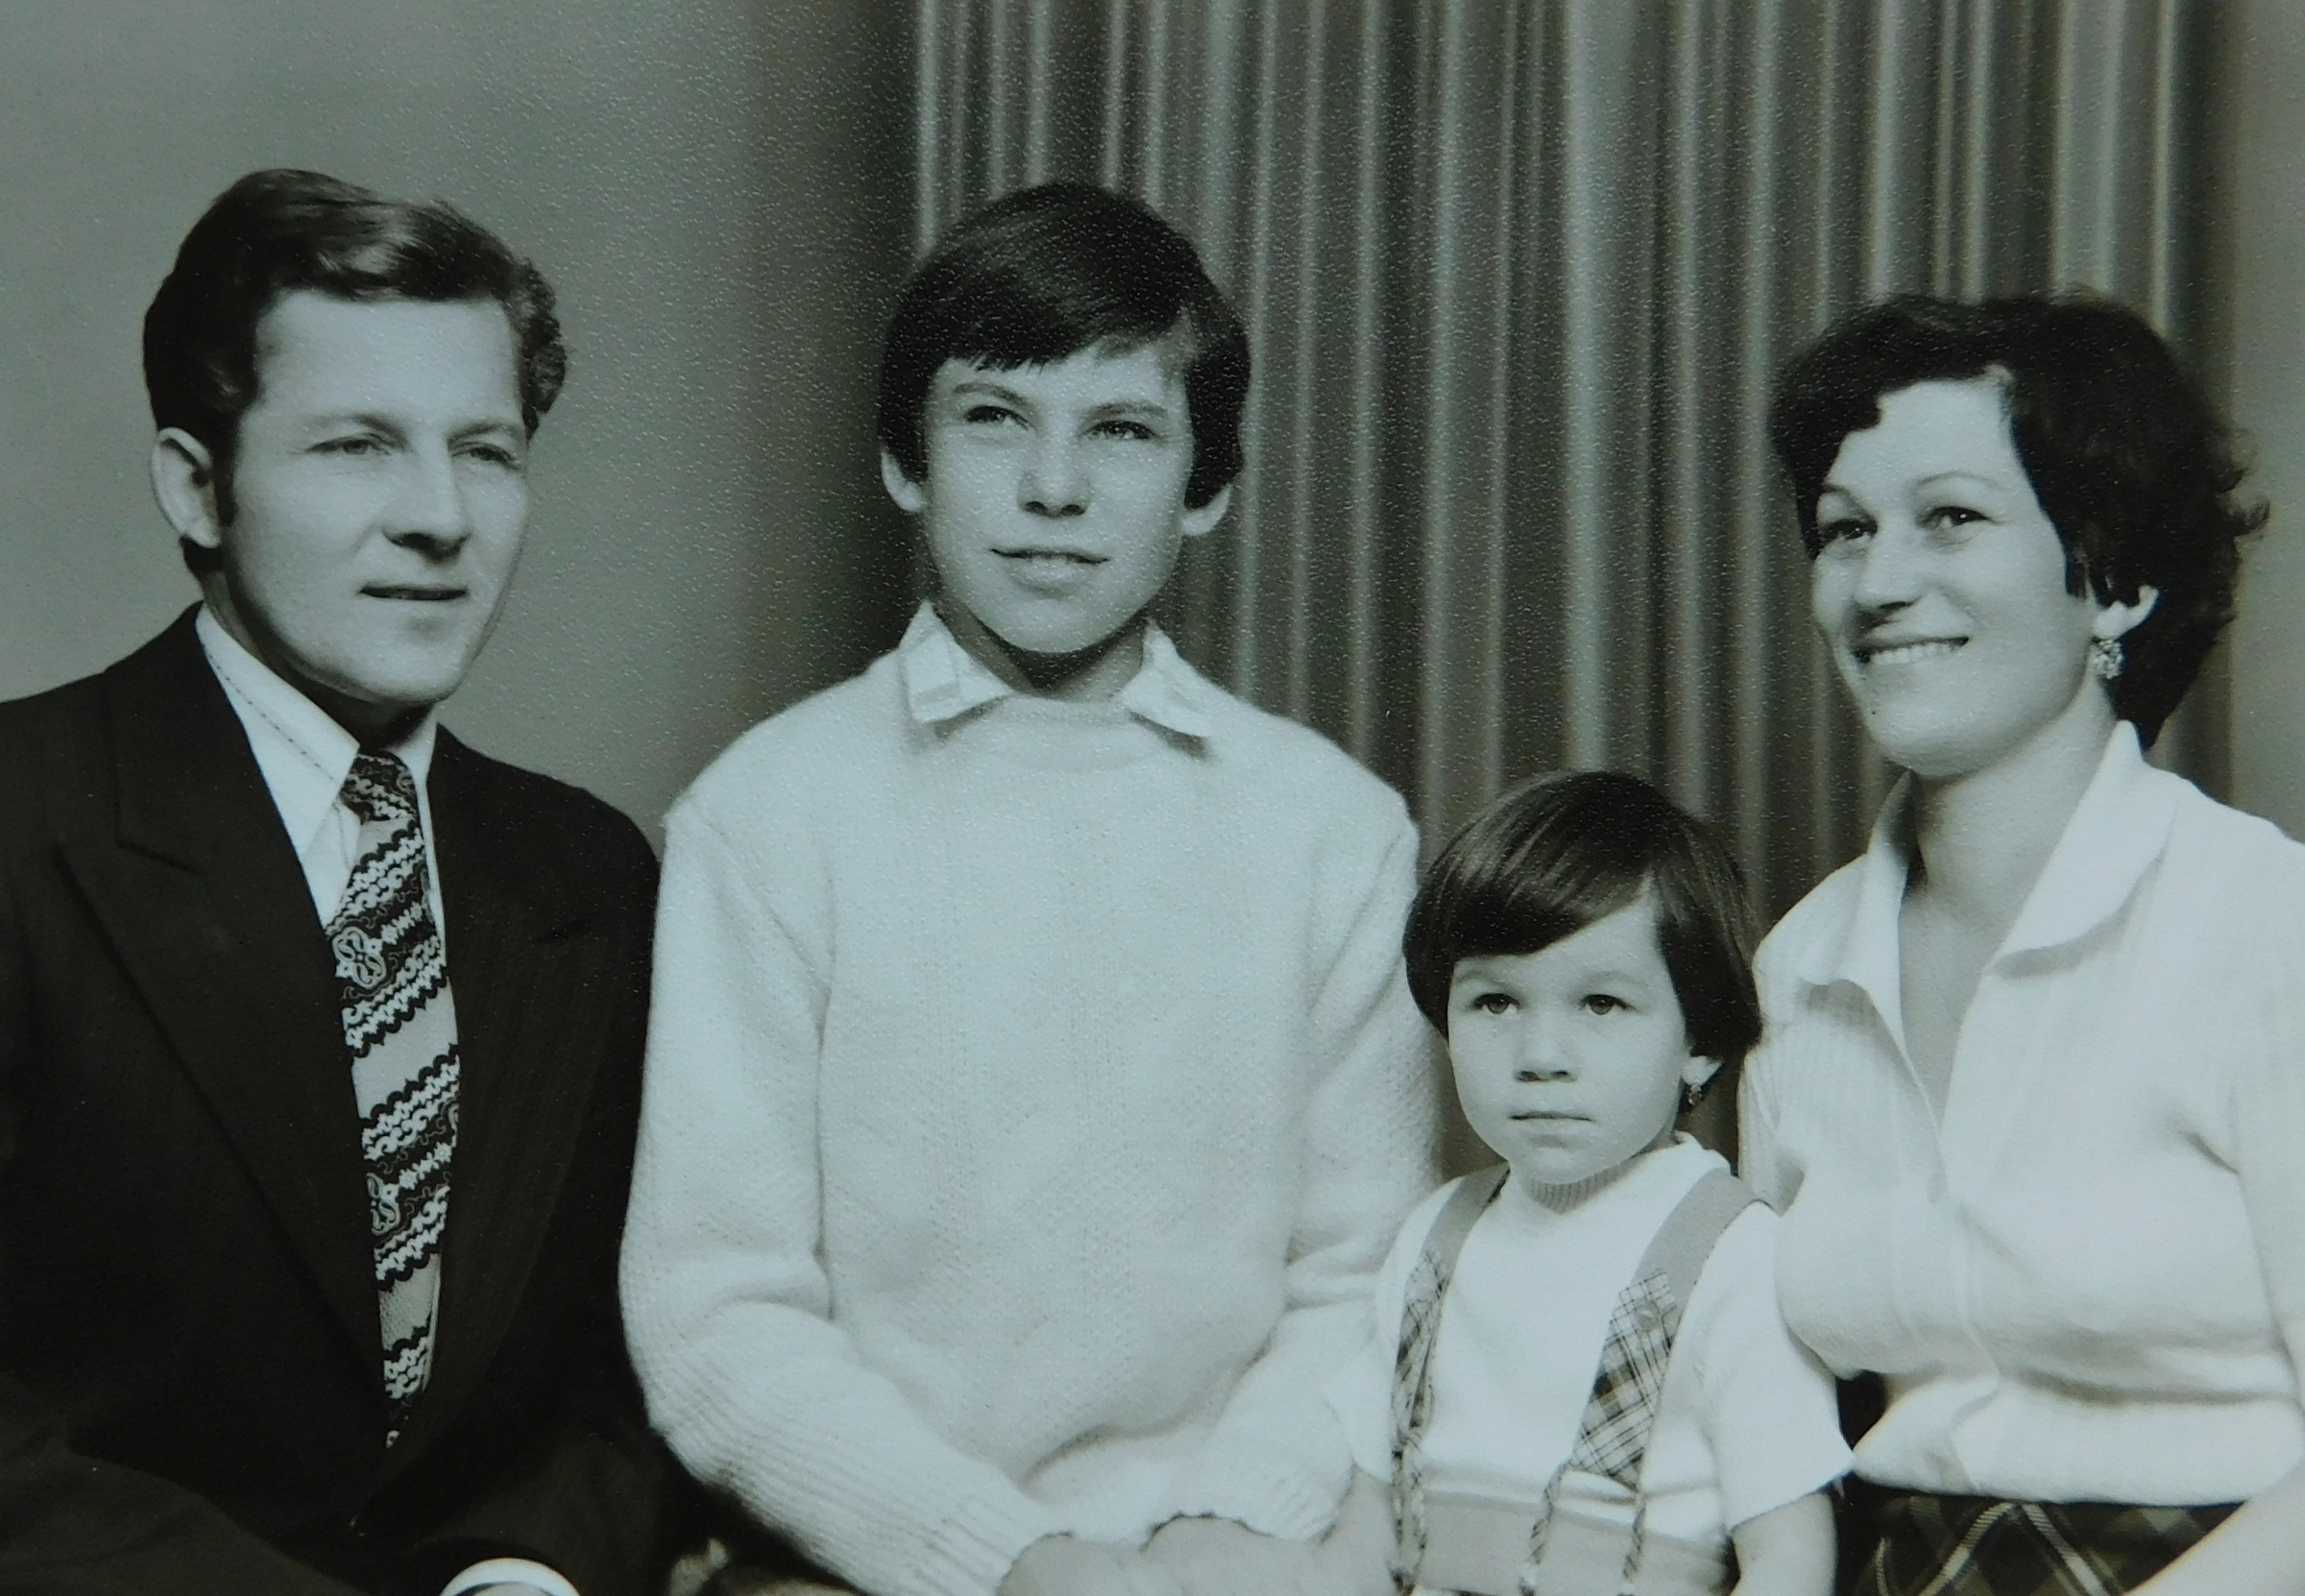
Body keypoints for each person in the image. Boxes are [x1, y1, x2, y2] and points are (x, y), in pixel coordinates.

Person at [619, 181, 1438, 1596]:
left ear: (1206, 485)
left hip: (1232, 1563)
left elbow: (1363, 1275)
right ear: (906, 459)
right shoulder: (767, 818)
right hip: (870, 1565)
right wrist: (1009, 1561)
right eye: (995, 417)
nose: (1055, 489)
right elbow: (716, 1311)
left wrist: (1221, 1532)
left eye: (1122, 430)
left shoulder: (1332, 830)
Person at [0, 169, 670, 1595]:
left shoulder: (590, 873)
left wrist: (524, 1576)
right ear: (197, 485)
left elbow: (625, 1364)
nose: (440, 517)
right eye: (358, 446)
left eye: (485, 451)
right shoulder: (21, 819)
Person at [1744, 292, 2305, 1595]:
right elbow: (1765, 1411)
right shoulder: (1798, 969)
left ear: (2119, 582)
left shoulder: (2267, 929)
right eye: (1845, 530)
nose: (1880, 584)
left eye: (1951, 516)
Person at [1319, 770, 1846, 1596]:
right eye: (1496, 1004)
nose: (1540, 1057)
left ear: (1700, 1043)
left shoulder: (1731, 1257)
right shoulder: (1433, 1239)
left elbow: (1790, 1557)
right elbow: (1365, 1527)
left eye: (1601, 1004)